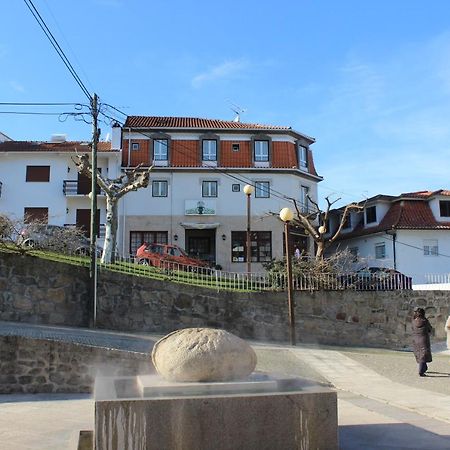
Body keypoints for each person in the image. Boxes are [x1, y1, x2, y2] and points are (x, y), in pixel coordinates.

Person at [412, 308, 433, 377]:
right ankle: (421, 371)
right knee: (423, 354)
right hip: (423, 339)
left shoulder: (414, 321)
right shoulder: (425, 321)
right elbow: (430, 329)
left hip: (415, 339)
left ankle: (424, 368)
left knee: (419, 353)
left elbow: (413, 329)